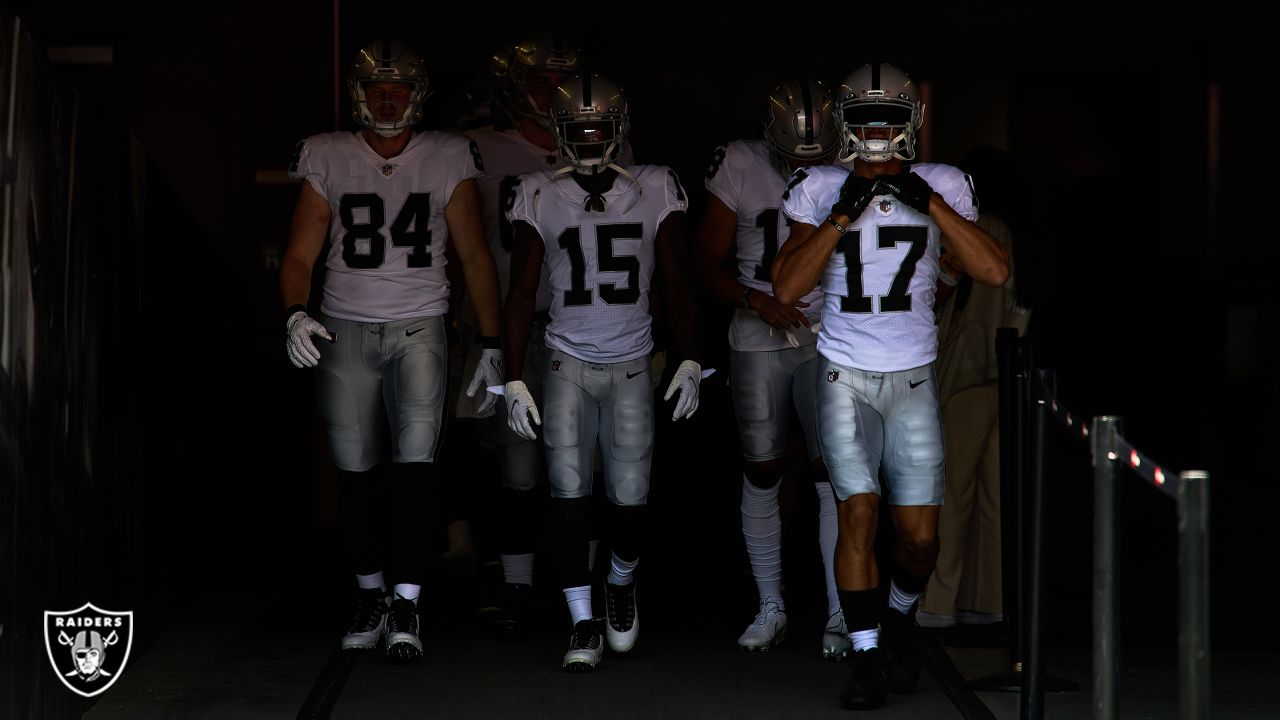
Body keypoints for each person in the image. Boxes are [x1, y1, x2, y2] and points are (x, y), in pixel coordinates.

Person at [771, 62, 1009, 710]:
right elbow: (787, 288)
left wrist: (923, 201)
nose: (877, 131)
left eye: (890, 119)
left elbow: (991, 268)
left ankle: (899, 615)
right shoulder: (819, 186)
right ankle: (868, 657)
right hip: (844, 373)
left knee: (920, 539)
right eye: (865, 119)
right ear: (841, 125)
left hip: (913, 377)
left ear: (913, 124)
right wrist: (841, 217)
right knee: (857, 513)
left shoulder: (943, 183)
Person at [281, 38, 503, 661]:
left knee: (415, 466)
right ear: (357, 93)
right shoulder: (327, 155)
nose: (386, 99)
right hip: (343, 325)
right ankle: (370, 592)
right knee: (352, 469)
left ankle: (406, 599)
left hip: (419, 326)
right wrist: (295, 312)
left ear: (417, 95)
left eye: (398, 88)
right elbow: (300, 252)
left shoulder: (447, 154)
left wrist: (491, 340)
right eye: (376, 88)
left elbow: (474, 254)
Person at [502, 73, 702, 672]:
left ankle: (619, 579)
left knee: (631, 498)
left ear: (619, 130)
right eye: (577, 129)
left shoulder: (655, 186)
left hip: (633, 360)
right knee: (567, 493)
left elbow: (675, 280)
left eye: (598, 127)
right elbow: (521, 292)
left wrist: (690, 354)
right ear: (560, 134)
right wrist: (514, 374)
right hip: (565, 358)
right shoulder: (538, 190)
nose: (589, 138)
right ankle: (582, 619)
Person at [451, 33, 634, 638]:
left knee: (595, 468)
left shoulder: (612, 153)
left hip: (589, 329)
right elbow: (457, 244)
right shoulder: (480, 150)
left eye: (559, 87)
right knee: (518, 466)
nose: (550, 98)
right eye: (537, 85)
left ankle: (589, 588)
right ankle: (518, 581)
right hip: (512, 326)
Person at [693, 76, 850, 658]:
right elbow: (703, 262)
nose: (799, 165)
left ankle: (840, 609)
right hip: (758, 332)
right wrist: (758, 298)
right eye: (788, 155)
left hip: (829, 332)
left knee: (832, 473)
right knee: (762, 470)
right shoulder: (738, 162)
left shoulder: (855, 162)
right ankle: (771, 605)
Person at [917, 144, 1031, 629]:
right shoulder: (1007, 229)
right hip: (1003, 368)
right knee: (995, 493)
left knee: (952, 492)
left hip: (964, 372)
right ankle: (991, 599)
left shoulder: (971, 228)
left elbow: (945, 297)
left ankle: (939, 602)